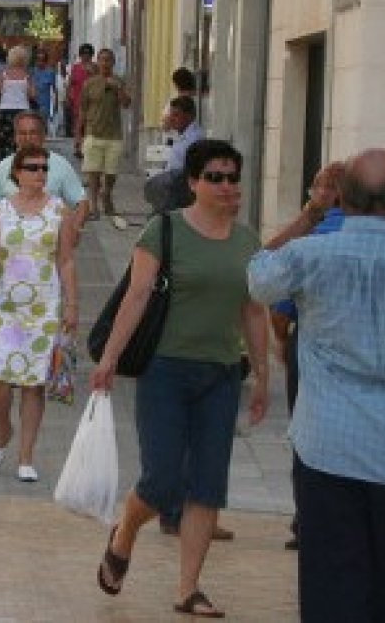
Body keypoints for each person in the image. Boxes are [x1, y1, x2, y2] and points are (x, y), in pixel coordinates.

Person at [248, 149, 385, 622]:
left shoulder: (308, 255)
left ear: (342, 202)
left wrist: (311, 212)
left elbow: (257, 278)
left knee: (331, 583)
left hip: (327, 450)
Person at [91, 139, 269, 619]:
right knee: (163, 481)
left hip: (222, 375)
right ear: (193, 182)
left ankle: (188, 588)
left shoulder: (248, 241)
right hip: (165, 371)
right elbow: (136, 296)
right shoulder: (163, 231)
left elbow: (254, 312)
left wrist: (264, 375)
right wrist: (108, 358)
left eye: (233, 176)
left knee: (208, 486)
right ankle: (125, 532)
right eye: (215, 176)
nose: (227, 185)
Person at [0, 146, 79, 483]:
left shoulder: (60, 211)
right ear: (16, 173)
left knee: (34, 383)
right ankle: (3, 430)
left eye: (44, 168)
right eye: (32, 168)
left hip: (43, 307)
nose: (39, 174)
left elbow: (65, 259)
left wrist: (72, 304)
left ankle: (26, 457)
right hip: (4, 306)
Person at [267, 161, 346, 551]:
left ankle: (308, 520)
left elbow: (277, 301)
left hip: (312, 347)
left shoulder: (307, 241)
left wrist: (281, 343)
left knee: (308, 434)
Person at [0, 110, 88, 230]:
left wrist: (75, 232)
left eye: (33, 133)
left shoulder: (61, 165)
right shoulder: (3, 167)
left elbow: (82, 203)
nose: (27, 138)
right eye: (22, 133)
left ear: (43, 136)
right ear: (15, 137)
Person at [76, 48, 131, 223]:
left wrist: (118, 89)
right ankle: (94, 206)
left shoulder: (119, 81)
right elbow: (83, 110)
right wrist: (79, 134)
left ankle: (106, 194)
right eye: (102, 60)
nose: (105, 63)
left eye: (108, 60)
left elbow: (126, 104)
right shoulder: (89, 84)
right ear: (97, 62)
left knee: (111, 173)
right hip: (93, 132)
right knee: (93, 173)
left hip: (113, 134)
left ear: (113, 63)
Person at [144, 97, 202, 214]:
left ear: (189, 117)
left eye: (176, 115)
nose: (172, 119)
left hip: (180, 189)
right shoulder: (181, 134)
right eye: (171, 115)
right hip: (171, 185)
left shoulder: (194, 138)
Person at [0, 45, 35, 160]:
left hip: (5, 109)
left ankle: (3, 164)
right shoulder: (27, 76)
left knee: (4, 141)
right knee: (21, 140)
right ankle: (20, 163)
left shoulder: (3, 75)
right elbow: (32, 95)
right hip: (22, 110)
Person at [66, 43, 95, 152]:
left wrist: (92, 72)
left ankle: (86, 146)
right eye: (83, 53)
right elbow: (71, 83)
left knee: (88, 123)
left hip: (91, 100)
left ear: (91, 55)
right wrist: (68, 96)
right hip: (78, 99)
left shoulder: (95, 67)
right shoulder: (76, 67)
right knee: (78, 123)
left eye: (88, 53)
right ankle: (77, 146)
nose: (85, 56)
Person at [31, 48, 59, 125]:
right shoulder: (32, 71)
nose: (40, 62)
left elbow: (54, 89)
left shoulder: (50, 72)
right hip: (33, 103)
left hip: (45, 104)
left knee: (42, 125)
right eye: (38, 60)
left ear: (46, 61)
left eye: (42, 60)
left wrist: (56, 105)